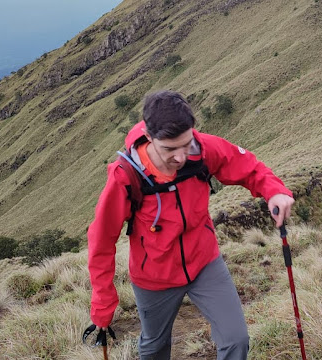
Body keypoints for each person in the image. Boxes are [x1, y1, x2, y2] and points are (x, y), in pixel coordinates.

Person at [87, 90, 294, 359]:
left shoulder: (203, 149)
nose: (180, 157)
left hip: (204, 262)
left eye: (185, 145)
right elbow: (101, 241)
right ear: (149, 138)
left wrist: (274, 190)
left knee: (236, 340)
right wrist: (103, 304)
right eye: (169, 149)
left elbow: (246, 165)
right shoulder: (126, 177)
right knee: (154, 347)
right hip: (154, 278)